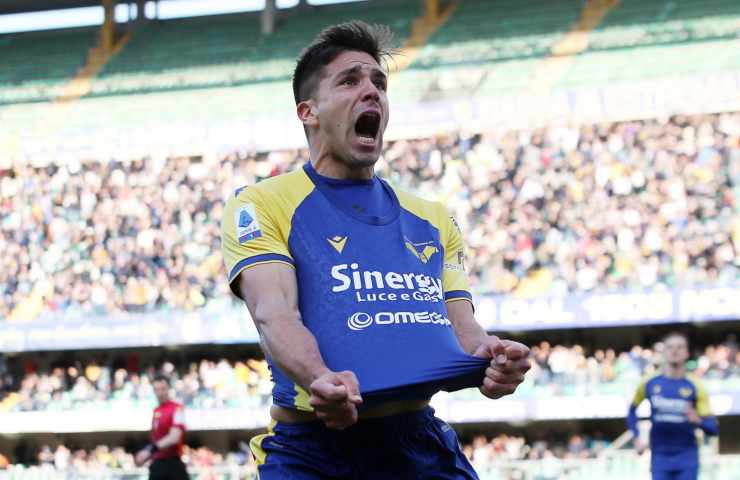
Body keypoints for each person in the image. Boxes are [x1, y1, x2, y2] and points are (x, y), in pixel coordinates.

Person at [221, 21, 531, 479]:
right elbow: (275, 314)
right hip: (312, 452)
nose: (372, 91)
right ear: (308, 111)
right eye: (349, 81)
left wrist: (494, 358)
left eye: (379, 83)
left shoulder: (433, 218)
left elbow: (462, 329)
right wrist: (319, 378)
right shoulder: (261, 204)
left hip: (418, 445)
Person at [628, 332, 719, 480]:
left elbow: (713, 428)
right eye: (670, 347)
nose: (675, 351)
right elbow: (632, 411)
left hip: (687, 458)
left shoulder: (696, 385)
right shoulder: (649, 382)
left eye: (680, 347)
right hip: (660, 458)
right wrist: (637, 437)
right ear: (663, 352)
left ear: (687, 353)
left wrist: (698, 420)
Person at [135, 375, 188, 480]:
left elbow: (174, 437)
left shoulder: (177, 409)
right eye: (157, 390)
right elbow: (155, 439)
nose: (160, 393)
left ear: (169, 389)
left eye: (163, 389)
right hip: (157, 465)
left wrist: (150, 450)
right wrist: (144, 454)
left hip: (173, 465)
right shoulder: (156, 411)